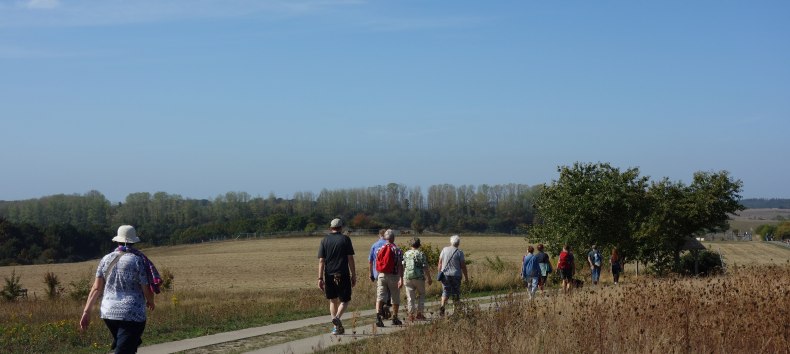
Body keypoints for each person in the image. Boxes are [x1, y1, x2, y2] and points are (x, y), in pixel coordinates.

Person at [79, 225, 158, 354]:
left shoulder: (105, 259)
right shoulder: (137, 260)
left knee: (127, 345)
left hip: (108, 313)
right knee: (125, 349)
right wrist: (151, 301)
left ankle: (130, 342)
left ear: (117, 240)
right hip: (132, 313)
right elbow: (146, 288)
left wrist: (86, 312)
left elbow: (96, 288)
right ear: (133, 241)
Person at [317, 218, 356, 335]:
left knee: (332, 301)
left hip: (329, 274)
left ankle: (335, 327)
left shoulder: (324, 240)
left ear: (331, 228)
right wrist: (353, 274)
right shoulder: (345, 239)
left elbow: (321, 261)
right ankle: (337, 318)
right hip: (343, 274)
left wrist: (320, 278)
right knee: (345, 300)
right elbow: (350, 258)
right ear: (341, 228)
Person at [374, 229, 404, 327]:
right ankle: (395, 317)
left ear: (385, 238)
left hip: (381, 275)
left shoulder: (379, 249)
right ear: (393, 238)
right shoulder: (397, 250)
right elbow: (400, 265)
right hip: (393, 276)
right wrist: (401, 278)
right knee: (395, 297)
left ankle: (378, 317)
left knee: (380, 296)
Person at [437, 235, 468, 316]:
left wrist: (439, 273)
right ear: (458, 243)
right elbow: (463, 266)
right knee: (455, 292)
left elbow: (440, 263)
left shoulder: (444, 250)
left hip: (445, 274)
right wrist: (466, 277)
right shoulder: (459, 252)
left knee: (445, 291)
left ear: (451, 242)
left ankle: (442, 306)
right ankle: (456, 311)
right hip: (456, 275)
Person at [403, 237, 432, 321]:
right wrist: (429, 278)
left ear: (411, 244)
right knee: (421, 295)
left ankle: (411, 315)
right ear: (419, 245)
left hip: (408, 277)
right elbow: (425, 267)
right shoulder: (421, 254)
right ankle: (419, 314)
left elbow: (404, 265)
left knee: (410, 297)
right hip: (419, 277)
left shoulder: (406, 253)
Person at [368, 229, 391, 319]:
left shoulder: (374, 245)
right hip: (389, 272)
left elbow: (370, 261)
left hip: (377, 272)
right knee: (389, 291)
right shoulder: (390, 244)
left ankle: (380, 309)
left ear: (379, 235)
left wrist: (370, 273)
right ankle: (387, 304)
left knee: (380, 291)